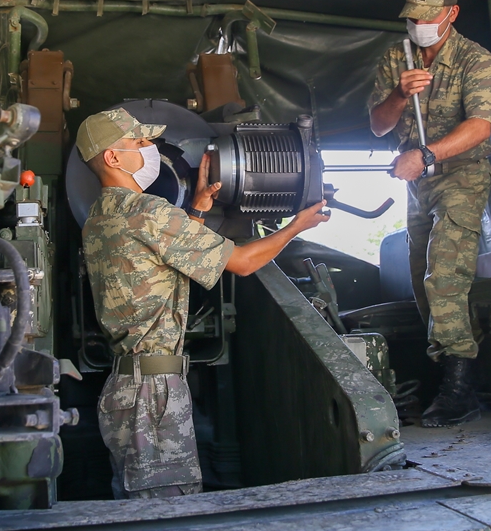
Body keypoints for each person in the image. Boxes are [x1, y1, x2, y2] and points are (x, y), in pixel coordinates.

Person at [78, 108, 329, 499]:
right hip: (154, 396)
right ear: (113, 158)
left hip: (127, 387)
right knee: (168, 515)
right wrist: (296, 226)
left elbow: (158, 262)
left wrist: (196, 208)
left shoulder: (100, 217)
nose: (150, 150)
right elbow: (244, 263)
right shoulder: (148, 212)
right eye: (140, 143)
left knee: (140, 508)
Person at [367, 0, 491, 427]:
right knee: (424, 283)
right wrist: (400, 95)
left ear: (451, 14)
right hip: (418, 186)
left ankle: (459, 390)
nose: (419, 24)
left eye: (429, 16)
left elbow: (481, 127)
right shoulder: (395, 58)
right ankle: (454, 373)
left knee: (444, 273)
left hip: (461, 177)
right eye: (413, 16)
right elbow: (378, 126)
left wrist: (425, 154)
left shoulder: (474, 58)